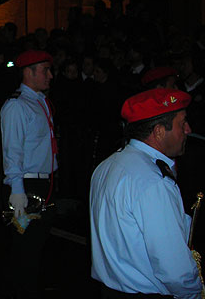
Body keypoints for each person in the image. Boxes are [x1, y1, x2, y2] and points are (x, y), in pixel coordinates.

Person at [90, 88, 203, 298]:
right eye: (182, 123)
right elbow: (174, 269)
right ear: (159, 131)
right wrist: (195, 293)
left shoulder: (107, 165)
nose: (188, 130)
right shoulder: (153, 182)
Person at [0, 49, 56, 299]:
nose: (50, 75)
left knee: (38, 245)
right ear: (29, 72)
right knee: (25, 248)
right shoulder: (17, 105)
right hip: (27, 182)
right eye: (45, 70)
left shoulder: (40, 100)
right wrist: (17, 189)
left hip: (44, 181)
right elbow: (12, 150)